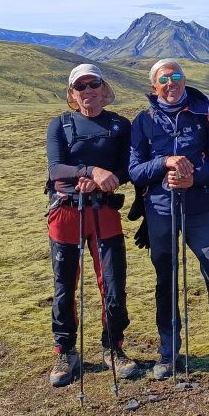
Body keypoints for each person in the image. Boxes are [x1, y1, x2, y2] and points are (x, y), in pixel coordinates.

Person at [128, 59, 209, 381]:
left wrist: (195, 178)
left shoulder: (205, 115)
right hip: (160, 211)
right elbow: (135, 171)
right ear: (154, 87)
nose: (171, 83)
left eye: (176, 76)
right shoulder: (143, 121)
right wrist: (164, 162)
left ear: (184, 80)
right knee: (166, 280)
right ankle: (168, 351)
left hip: (198, 210)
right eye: (164, 79)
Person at [45, 63, 139, 387]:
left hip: (103, 211)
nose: (88, 91)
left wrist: (100, 181)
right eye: (80, 86)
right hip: (66, 213)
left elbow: (128, 169)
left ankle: (114, 347)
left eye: (93, 84)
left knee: (112, 284)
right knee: (64, 286)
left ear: (103, 87)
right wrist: (89, 172)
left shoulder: (119, 125)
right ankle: (66, 351)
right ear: (72, 93)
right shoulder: (59, 125)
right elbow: (56, 169)